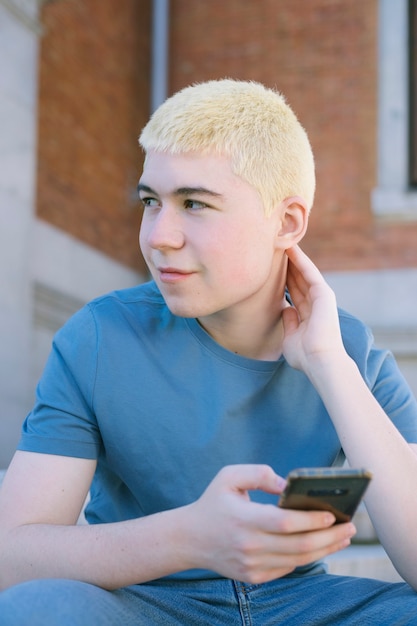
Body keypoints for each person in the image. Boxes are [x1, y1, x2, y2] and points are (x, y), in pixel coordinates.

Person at [0, 79, 417, 625]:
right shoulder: (99, 337)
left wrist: (329, 364)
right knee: (38, 610)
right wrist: (186, 539)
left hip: (302, 606)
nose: (158, 237)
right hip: (144, 604)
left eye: (194, 203)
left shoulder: (347, 348)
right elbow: (11, 558)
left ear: (287, 223)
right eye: (152, 202)